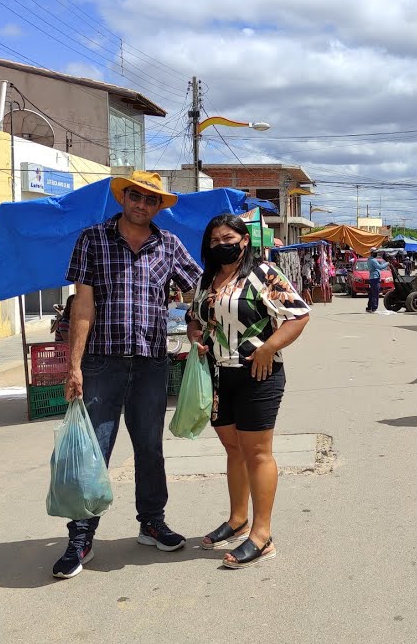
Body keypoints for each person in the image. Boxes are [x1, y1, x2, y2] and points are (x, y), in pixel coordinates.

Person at [56, 170, 203, 580]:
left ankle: (151, 521)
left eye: (151, 200)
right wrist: (74, 366)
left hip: (152, 362)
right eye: (136, 196)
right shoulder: (93, 239)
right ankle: (81, 536)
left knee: (150, 448)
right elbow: (82, 305)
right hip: (102, 362)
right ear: (124, 197)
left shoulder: (168, 245)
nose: (142, 205)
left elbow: (197, 287)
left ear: (159, 207)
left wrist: (194, 317)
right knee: (95, 451)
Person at [186, 214, 310, 569]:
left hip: (258, 374)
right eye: (213, 241)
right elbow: (195, 317)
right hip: (218, 376)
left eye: (227, 238)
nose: (220, 245)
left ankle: (262, 535)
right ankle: (238, 518)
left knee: (257, 454)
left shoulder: (264, 274)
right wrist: (195, 333)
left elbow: (298, 315)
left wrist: (269, 347)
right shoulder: (207, 278)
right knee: (232, 448)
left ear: (244, 240)